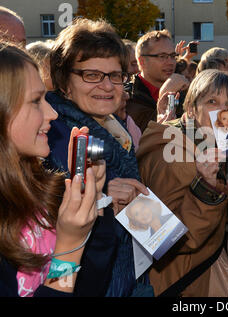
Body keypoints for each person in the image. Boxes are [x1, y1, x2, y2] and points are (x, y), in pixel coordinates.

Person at [0, 34, 111, 296]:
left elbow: (91, 286)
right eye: (35, 101)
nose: (52, 114)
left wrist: (94, 203)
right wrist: (70, 246)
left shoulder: (38, 188)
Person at [45, 18, 151, 297]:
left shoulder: (116, 130)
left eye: (115, 75)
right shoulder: (58, 135)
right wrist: (101, 196)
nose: (107, 86)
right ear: (64, 80)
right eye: (91, 75)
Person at [136, 69, 228, 297]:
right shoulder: (172, 155)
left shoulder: (210, 146)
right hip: (176, 283)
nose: (223, 111)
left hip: (198, 273)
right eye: (212, 101)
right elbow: (162, 239)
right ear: (190, 109)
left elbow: (219, 219)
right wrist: (207, 189)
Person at [127, 30, 187, 134]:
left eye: (173, 56)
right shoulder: (128, 96)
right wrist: (164, 93)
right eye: (162, 56)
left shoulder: (181, 90)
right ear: (142, 61)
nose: (170, 62)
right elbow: (141, 138)